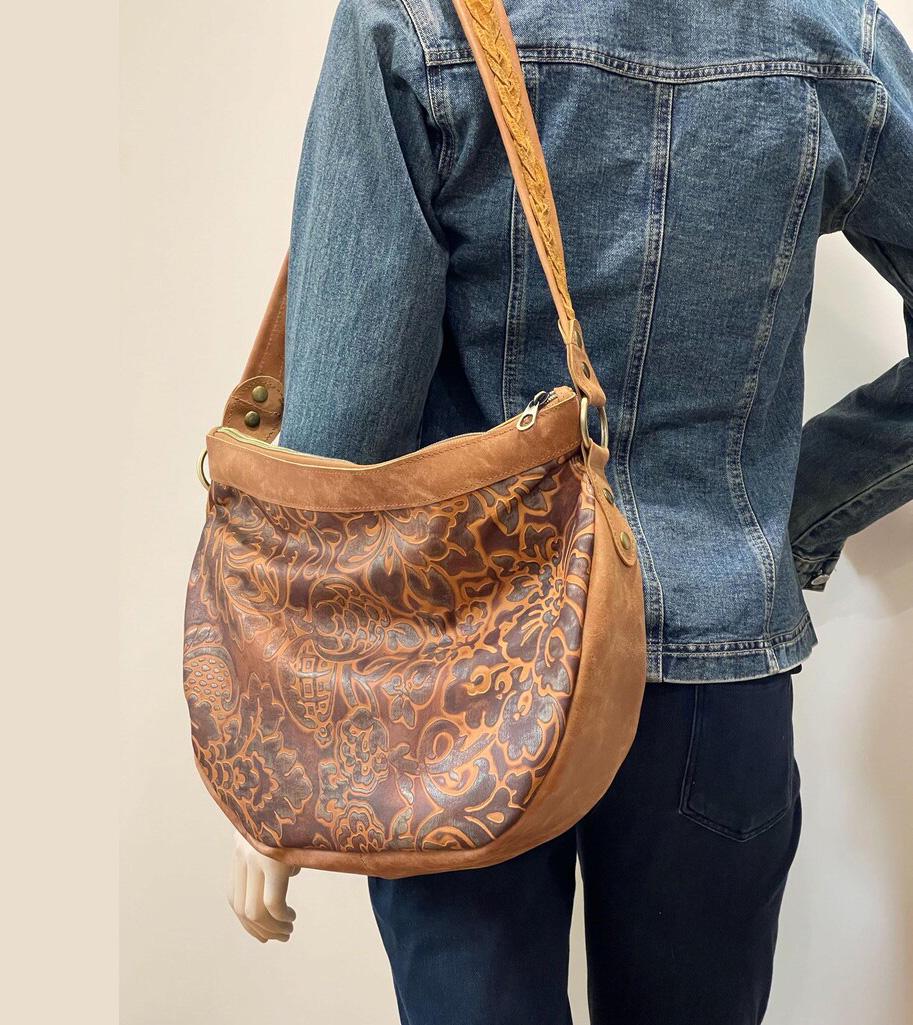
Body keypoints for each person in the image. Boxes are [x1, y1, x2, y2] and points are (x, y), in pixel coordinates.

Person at [227, 1, 913, 1022]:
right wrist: (783, 512)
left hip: (462, 674)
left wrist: (291, 731)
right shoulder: (831, 35)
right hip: (715, 673)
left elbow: (345, 428)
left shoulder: (411, 21)